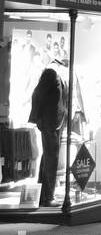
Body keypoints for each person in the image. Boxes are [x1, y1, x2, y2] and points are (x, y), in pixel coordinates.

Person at [29, 68, 67, 207]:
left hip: (55, 124)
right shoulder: (51, 73)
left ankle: (43, 195)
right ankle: (48, 197)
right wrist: (39, 118)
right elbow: (38, 93)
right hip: (50, 125)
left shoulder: (60, 75)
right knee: (51, 160)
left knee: (48, 159)